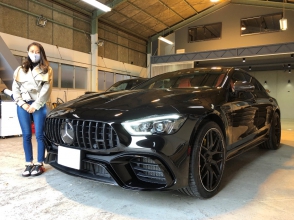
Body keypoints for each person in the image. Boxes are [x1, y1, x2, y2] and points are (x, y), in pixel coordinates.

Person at [12, 42, 53, 177]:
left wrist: (35, 105)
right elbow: (15, 89)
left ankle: (39, 163)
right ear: (27, 52)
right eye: (31, 51)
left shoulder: (47, 69)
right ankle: (28, 163)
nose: (34, 54)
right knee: (27, 135)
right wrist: (22, 104)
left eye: (37, 52)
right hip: (23, 105)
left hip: (39, 105)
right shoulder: (20, 69)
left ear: (41, 53)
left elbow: (46, 90)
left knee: (40, 135)